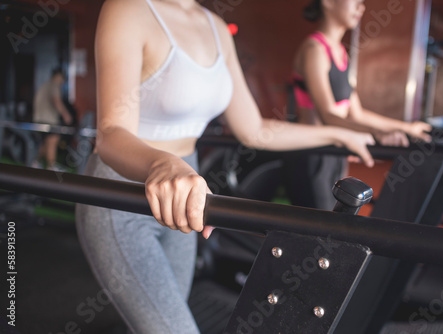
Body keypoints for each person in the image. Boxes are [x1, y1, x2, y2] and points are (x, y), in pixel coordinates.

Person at [75, 0, 376, 333]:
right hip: (125, 193)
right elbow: (111, 134)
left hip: (186, 191)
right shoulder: (129, 9)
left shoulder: (216, 27)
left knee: (160, 320)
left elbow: (255, 130)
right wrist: (164, 163)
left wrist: (336, 133)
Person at [286, 0, 433, 210]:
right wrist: (376, 133)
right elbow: (328, 115)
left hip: (336, 153)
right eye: (355, 1)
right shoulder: (314, 49)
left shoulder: (340, 52)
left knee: (336, 223)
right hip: (312, 156)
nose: (361, 8)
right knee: (319, 230)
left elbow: (357, 113)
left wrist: (407, 127)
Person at [32, 68, 73, 171]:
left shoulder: (45, 85)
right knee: (53, 140)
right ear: (58, 76)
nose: (63, 81)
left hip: (39, 119)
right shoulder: (54, 85)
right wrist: (66, 115)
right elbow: (56, 101)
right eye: (62, 78)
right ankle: (51, 166)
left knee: (46, 142)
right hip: (48, 120)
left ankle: (36, 163)